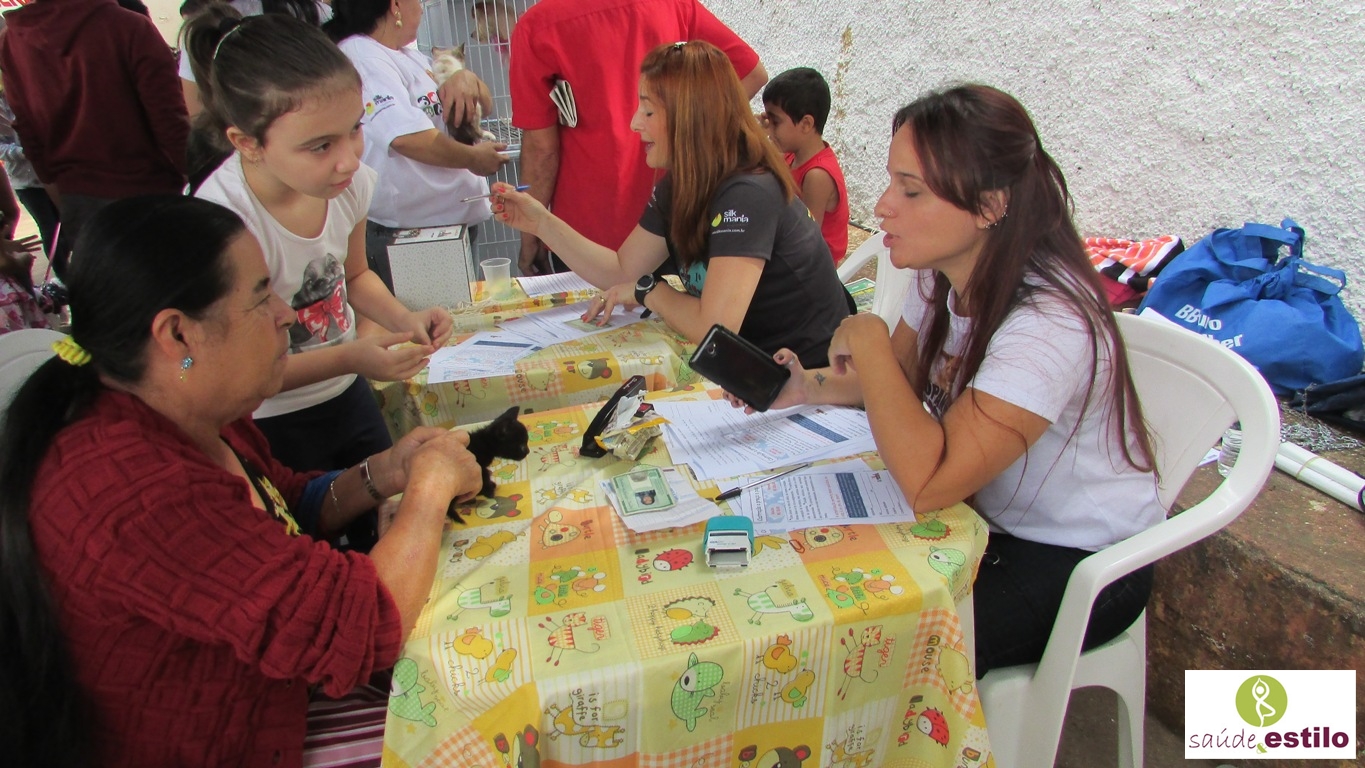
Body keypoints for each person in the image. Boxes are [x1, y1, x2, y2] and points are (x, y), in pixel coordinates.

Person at [0, 196, 483, 767]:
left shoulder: (186, 412)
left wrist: (383, 473)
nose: (286, 313)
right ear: (178, 336)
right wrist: (427, 490)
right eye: (260, 298)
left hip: (272, 697)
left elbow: (282, 508)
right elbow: (361, 627)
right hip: (229, 740)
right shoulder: (131, 488)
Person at [728, 85, 1162, 676]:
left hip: (1079, 556)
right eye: (891, 182)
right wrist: (805, 386)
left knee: (877, 651)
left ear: (988, 206)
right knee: (802, 587)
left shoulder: (1048, 325)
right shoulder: (942, 273)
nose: (883, 206)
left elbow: (929, 482)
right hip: (979, 516)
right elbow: (898, 381)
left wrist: (869, 339)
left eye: (910, 191)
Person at [187, 13, 452, 499]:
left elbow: (355, 274)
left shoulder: (348, 185)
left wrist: (404, 318)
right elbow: (238, 371)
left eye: (355, 129)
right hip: (270, 421)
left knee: (383, 506)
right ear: (247, 144)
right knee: (310, 525)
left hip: (348, 394)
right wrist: (351, 356)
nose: (349, 159)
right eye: (320, 146)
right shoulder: (222, 222)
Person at [493, 41, 849, 369]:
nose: (635, 123)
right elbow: (622, 270)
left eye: (648, 111)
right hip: (752, 368)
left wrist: (651, 291)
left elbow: (714, 327)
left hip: (809, 377)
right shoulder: (684, 182)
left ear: (691, 118)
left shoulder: (747, 193)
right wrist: (540, 222)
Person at [510, 0, 768, 275]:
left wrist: (531, 238)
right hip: (678, 214)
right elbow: (750, 73)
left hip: (585, 233)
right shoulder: (672, 5)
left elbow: (542, 150)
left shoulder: (538, 26)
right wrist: (690, 132)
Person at [325, 0, 510, 291]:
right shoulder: (363, 56)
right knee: (438, 316)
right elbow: (404, 137)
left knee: (457, 313)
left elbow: (483, 105)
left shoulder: (409, 57)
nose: (422, 7)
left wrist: (468, 80)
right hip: (413, 233)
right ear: (395, 5)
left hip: (447, 225)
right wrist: (472, 158)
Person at [0, 0, 188, 280]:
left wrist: (65, 200)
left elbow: (30, 134)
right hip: (151, 194)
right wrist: (196, 183)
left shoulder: (13, 41)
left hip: (79, 202)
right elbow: (170, 123)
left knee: (120, 297)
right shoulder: (129, 26)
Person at [761, 67, 849, 264]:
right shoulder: (790, 156)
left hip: (813, 270)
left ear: (806, 124)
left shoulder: (817, 175)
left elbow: (805, 241)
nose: (769, 130)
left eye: (775, 122)